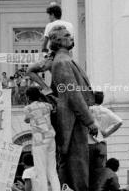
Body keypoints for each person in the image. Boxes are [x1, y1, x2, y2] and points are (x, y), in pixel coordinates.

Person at [49, 25, 98, 191]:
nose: (72, 38)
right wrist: (89, 121)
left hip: (75, 118)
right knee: (77, 167)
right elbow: (73, 94)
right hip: (72, 119)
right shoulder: (62, 62)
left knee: (80, 165)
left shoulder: (66, 60)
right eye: (67, 35)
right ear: (58, 41)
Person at [26, 5, 74, 95]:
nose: (49, 18)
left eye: (49, 16)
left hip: (55, 56)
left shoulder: (50, 25)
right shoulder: (70, 25)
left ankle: (46, 88)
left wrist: (44, 55)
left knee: (30, 70)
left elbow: (44, 44)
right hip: (69, 56)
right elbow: (72, 42)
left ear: (52, 15)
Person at [24, 87, 61, 191]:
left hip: (39, 140)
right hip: (50, 138)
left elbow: (26, 120)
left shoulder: (27, 108)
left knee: (41, 171)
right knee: (52, 170)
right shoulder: (47, 105)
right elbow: (53, 108)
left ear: (28, 97)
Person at [89, 91, 123, 189]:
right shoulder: (106, 111)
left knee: (90, 171)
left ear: (92, 98)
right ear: (102, 100)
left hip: (89, 144)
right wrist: (107, 133)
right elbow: (120, 122)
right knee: (101, 172)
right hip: (101, 145)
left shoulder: (88, 109)